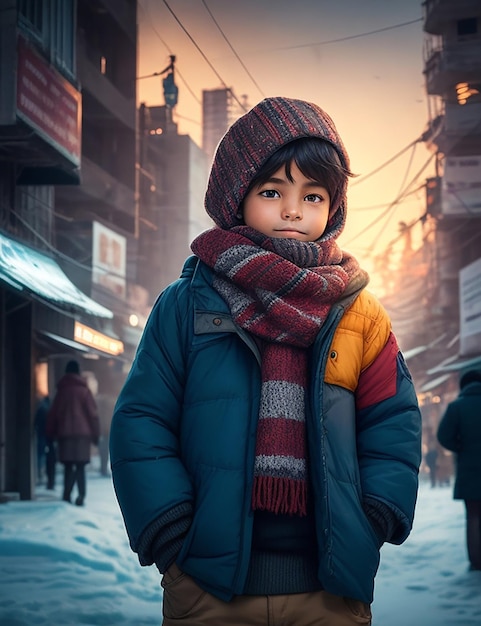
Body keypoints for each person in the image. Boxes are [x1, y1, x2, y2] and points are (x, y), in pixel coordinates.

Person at [110, 97, 422, 625]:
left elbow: (393, 422)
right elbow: (142, 420)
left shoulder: (360, 314)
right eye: (273, 191)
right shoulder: (188, 303)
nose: (293, 211)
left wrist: (372, 518)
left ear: (334, 207)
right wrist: (170, 530)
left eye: (314, 195)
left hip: (329, 589)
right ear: (238, 198)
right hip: (208, 586)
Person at [437, 369, 481, 571]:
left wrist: (461, 447)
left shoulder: (457, 407)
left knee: (473, 516)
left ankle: (475, 561)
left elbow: (444, 436)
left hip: (469, 470)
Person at [46, 360, 100, 506]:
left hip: (65, 435)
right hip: (83, 435)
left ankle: (66, 495)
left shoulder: (61, 391)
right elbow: (92, 414)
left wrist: (50, 433)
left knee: (68, 466)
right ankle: (81, 496)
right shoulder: (84, 391)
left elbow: (53, 414)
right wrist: (96, 434)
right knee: (81, 466)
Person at [34, 395, 56, 489]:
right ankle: (47, 479)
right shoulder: (52, 410)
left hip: (41, 435)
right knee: (50, 459)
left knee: (40, 455)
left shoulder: (41, 409)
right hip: (50, 437)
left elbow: (35, 423)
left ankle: (40, 473)